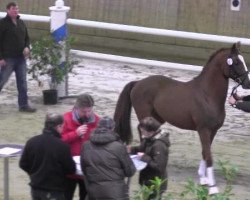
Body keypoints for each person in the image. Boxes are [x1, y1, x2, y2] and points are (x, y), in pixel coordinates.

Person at [19, 113, 76, 200]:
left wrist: (34, 173)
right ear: (59, 126)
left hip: (36, 187)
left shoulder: (31, 142)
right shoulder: (63, 146)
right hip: (55, 190)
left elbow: (23, 164)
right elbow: (71, 169)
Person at [81, 116, 136, 200]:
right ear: (113, 128)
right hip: (116, 193)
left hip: (94, 193)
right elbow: (130, 171)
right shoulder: (118, 147)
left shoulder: (86, 145)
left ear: (97, 127)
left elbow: (84, 169)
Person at [61, 93, 100, 200]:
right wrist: (75, 134)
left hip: (87, 169)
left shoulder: (97, 121)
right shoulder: (66, 119)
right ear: (76, 108)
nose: (87, 114)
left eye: (89, 111)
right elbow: (58, 142)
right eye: (84, 111)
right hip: (68, 169)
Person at [0, 2, 36, 112]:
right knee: (1, 81)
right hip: (8, 59)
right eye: (13, 9)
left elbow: (27, 38)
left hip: (21, 59)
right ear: (8, 10)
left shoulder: (21, 22)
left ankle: (23, 105)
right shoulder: (2, 24)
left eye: (17, 9)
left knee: (22, 83)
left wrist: (27, 47)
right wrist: (0, 58)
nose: (16, 11)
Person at [128, 117, 170, 200]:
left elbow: (159, 167)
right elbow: (141, 149)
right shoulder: (149, 139)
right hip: (147, 181)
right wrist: (131, 149)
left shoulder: (159, 145)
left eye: (143, 131)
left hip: (155, 184)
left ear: (151, 132)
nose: (142, 133)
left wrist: (144, 157)